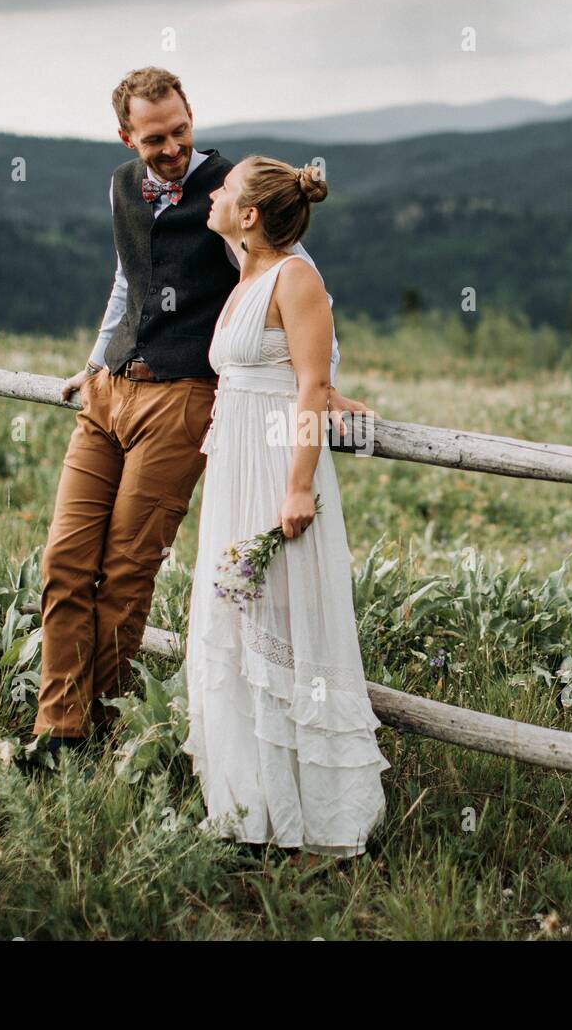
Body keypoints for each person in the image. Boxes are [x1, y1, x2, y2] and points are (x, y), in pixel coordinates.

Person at [32, 67, 374, 752]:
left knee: (127, 572)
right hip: (109, 395)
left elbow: (301, 284)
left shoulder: (233, 197)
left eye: (181, 130)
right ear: (126, 136)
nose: (173, 148)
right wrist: (98, 360)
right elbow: (128, 279)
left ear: (192, 115)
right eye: (155, 138)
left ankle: (102, 727)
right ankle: (57, 729)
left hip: (181, 400)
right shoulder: (122, 187)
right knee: (64, 564)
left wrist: (323, 380)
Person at [182, 155, 390, 858]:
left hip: (276, 461)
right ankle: (248, 806)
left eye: (225, 190)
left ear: (249, 215)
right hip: (234, 461)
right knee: (233, 616)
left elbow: (306, 386)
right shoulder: (245, 271)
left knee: (281, 616)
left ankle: (311, 811)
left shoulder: (296, 278)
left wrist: (298, 485)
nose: (211, 194)